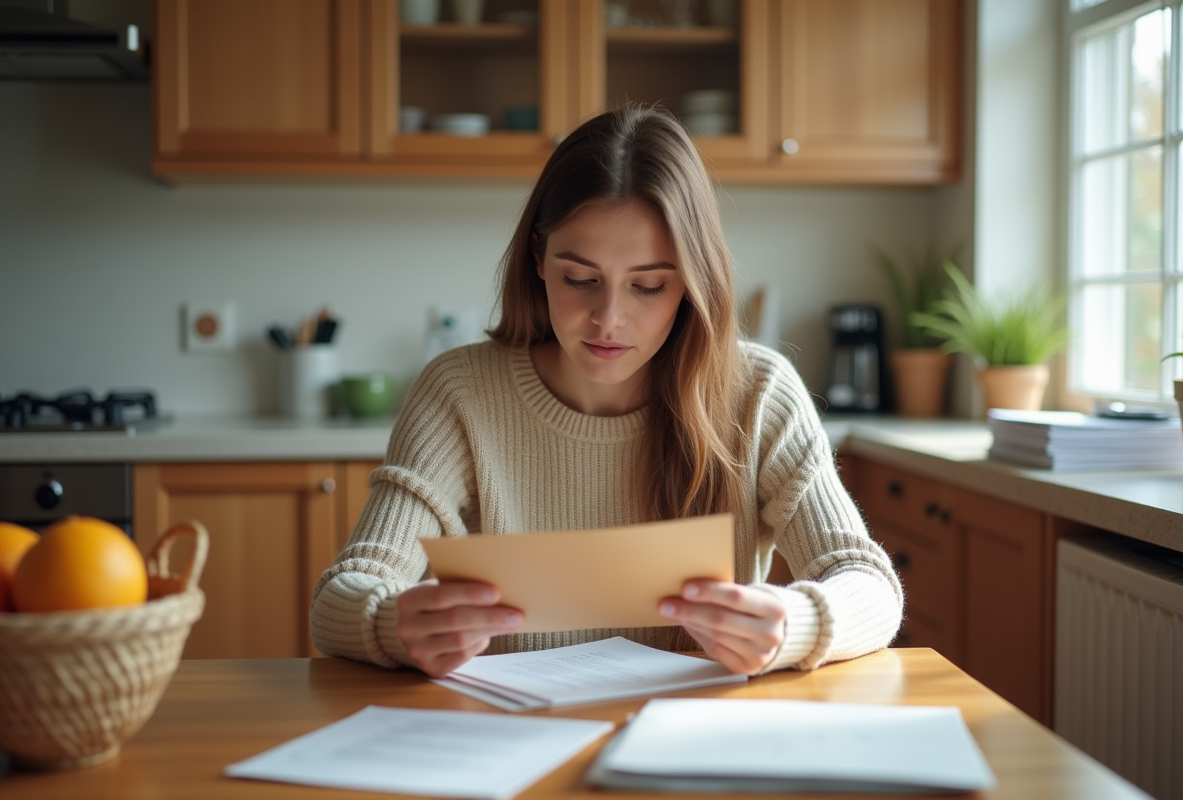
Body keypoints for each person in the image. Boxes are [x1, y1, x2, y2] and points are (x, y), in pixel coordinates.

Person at [310, 105, 903, 679]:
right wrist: (391, 621)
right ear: (538, 260)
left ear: (693, 285)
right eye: (580, 279)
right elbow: (341, 596)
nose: (608, 319)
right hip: (511, 744)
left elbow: (865, 580)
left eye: (648, 286)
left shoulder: (758, 392)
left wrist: (795, 622)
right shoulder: (460, 393)